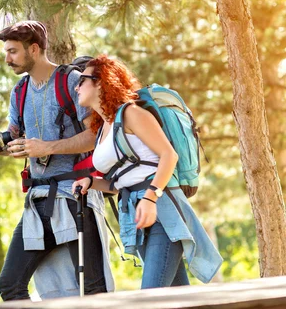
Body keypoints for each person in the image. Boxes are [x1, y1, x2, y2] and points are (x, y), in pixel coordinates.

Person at [72, 54, 222, 289]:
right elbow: (122, 182)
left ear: (100, 81)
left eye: (82, 80)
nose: (76, 86)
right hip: (137, 215)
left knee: (150, 297)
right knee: (176, 298)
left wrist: (151, 197)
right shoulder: (104, 129)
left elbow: (169, 155)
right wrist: (92, 182)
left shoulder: (131, 113)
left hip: (162, 212)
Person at [0, 21, 113, 301]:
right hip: (38, 203)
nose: (7, 58)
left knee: (94, 289)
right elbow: (15, 138)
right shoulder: (19, 91)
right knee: (10, 285)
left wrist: (46, 147)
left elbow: (95, 135)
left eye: (13, 51)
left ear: (34, 49)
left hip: (76, 198)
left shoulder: (72, 81)